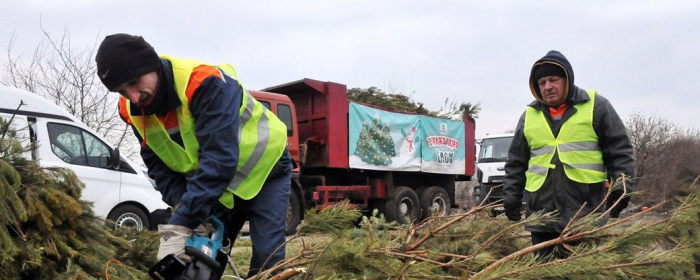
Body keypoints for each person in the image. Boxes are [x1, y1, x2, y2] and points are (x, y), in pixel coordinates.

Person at [95, 33, 291, 277]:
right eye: (122, 91)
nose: (134, 97)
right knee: (202, 263)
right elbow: (158, 166)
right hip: (218, 185)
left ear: (152, 64)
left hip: (265, 170)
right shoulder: (131, 110)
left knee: (267, 258)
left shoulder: (203, 82)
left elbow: (219, 160)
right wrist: (183, 206)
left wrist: (182, 221)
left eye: (134, 82)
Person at [502, 50, 635, 259]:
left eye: (553, 80)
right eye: (542, 82)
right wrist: (511, 197)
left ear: (567, 80)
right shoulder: (528, 116)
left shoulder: (597, 107)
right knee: (546, 274)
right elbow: (516, 163)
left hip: (586, 214)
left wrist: (622, 190)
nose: (547, 87)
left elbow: (620, 151)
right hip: (542, 218)